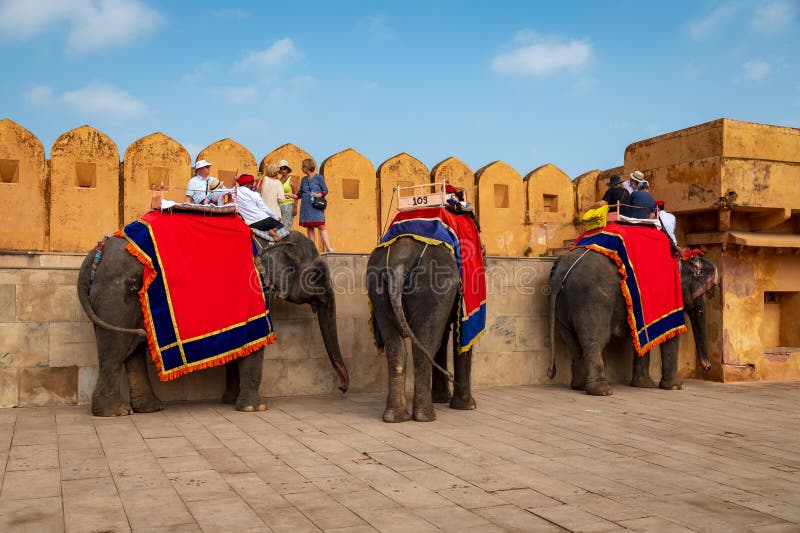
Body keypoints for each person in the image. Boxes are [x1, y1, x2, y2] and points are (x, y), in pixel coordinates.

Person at [234, 174, 286, 241]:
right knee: (281, 226)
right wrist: (276, 217)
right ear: (248, 184)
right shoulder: (254, 194)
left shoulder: (234, 192)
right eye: (252, 184)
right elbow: (264, 208)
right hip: (263, 219)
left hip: (251, 224)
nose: (252, 186)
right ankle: (273, 231)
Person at [298, 157, 333, 252]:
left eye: (303, 167)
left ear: (308, 167)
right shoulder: (303, 180)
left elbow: (325, 190)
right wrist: (292, 196)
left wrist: (318, 194)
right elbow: (300, 193)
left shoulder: (319, 178)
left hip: (316, 206)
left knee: (321, 226)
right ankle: (312, 250)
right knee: (310, 227)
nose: (302, 169)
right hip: (306, 206)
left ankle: (329, 247)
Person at [277, 159, 298, 231]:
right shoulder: (278, 180)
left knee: (287, 226)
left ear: (287, 169)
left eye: (284, 168)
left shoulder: (291, 179)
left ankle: (288, 242)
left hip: (288, 205)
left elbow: (296, 195)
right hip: (279, 205)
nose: (283, 170)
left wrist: (295, 208)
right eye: (281, 169)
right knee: (280, 226)